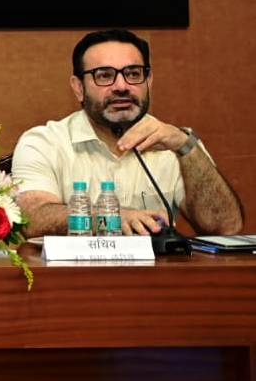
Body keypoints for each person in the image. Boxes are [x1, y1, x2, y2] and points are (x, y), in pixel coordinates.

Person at [14, 29, 243, 237]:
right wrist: (109, 217)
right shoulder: (44, 142)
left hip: (156, 271)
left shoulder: (177, 143)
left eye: (133, 74)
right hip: (73, 271)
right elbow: (31, 218)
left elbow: (226, 227)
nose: (122, 86)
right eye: (104, 75)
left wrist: (184, 145)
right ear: (79, 88)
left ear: (148, 81)